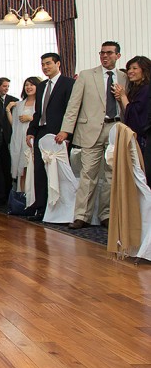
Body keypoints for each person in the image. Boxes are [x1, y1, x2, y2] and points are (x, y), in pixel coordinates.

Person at [58, 41, 127, 229]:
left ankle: (107, 215)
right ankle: (82, 216)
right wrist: (66, 129)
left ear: (118, 56)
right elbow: (74, 105)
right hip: (90, 131)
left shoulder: (125, 77)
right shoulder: (87, 76)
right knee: (88, 175)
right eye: (102, 53)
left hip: (116, 129)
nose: (105, 56)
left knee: (111, 176)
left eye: (109, 53)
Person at [25, 53, 75, 221]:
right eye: (43, 65)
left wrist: (66, 132)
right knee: (39, 171)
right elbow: (38, 112)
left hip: (59, 134)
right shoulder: (41, 86)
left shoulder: (68, 83)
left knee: (58, 173)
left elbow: (71, 110)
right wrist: (31, 131)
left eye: (48, 64)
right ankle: (41, 208)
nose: (45, 67)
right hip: (41, 132)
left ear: (58, 64)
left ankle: (61, 210)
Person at [6, 77, 40, 192]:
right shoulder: (19, 104)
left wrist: (31, 118)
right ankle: (22, 198)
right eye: (26, 85)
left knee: (35, 171)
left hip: (34, 141)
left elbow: (44, 121)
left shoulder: (40, 103)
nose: (28, 87)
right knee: (23, 172)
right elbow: (14, 125)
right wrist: (7, 111)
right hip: (21, 142)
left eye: (31, 85)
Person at [113, 55, 150, 151]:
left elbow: (135, 113)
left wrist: (123, 96)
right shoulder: (135, 89)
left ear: (144, 70)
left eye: (135, 68)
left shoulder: (146, 89)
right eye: (129, 68)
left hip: (143, 139)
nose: (130, 71)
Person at [0, 77, 18, 197]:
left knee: (8, 165)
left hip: (8, 137)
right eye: (4, 86)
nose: (6, 89)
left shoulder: (14, 101)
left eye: (8, 86)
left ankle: (9, 193)